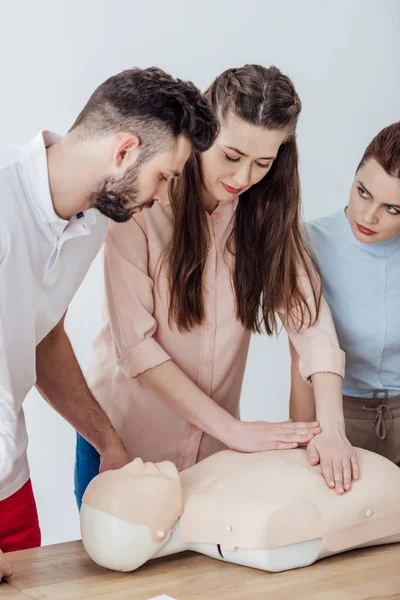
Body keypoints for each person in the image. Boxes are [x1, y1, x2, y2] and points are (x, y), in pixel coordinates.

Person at [74, 64, 359, 511]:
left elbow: (311, 323)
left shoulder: (264, 215)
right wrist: (234, 430)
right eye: (231, 155)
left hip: (213, 457)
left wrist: (332, 427)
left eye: (263, 163)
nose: (244, 177)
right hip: (122, 446)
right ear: (203, 133)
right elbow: (136, 348)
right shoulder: (141, 205)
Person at [0, 66, 217, 582]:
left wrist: (108, 442)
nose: (165, 196)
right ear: (123, 151)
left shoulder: (94, 217)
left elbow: (44, 334)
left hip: (10, 483)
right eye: (164, 176)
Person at [79, 448, 400, 574]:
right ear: (153, 531)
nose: (135, 463)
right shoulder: (244, 522)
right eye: (130, 482)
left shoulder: (195, 481)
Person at [290, 122, 400, 467]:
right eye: (363, 192)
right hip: (337, 418)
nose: (368, 215)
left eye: (393, 209)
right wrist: (301, 445)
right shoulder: (308, 243)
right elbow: (301, 357)